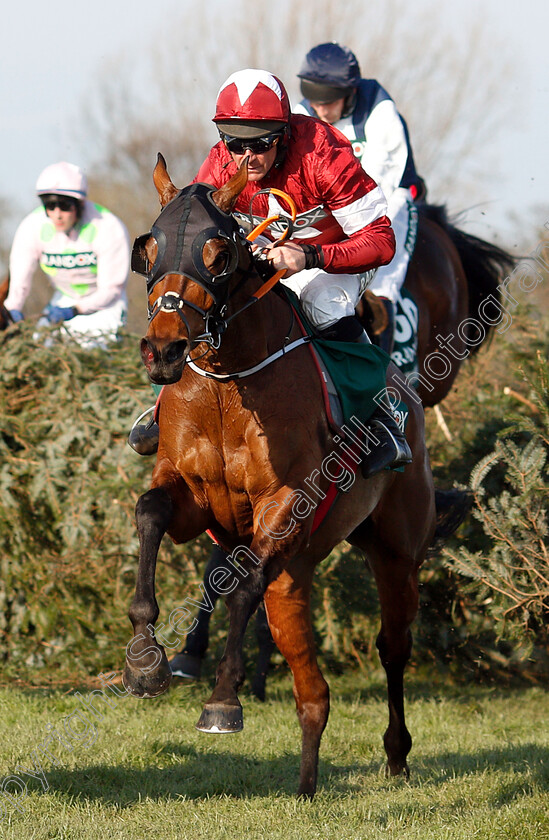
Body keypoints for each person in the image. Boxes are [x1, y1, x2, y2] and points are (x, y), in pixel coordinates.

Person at [130, 68, 411, 476]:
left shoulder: (324, 155)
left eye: (261, 142)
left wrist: (310, 256)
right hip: (263, 251)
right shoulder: (221, 163)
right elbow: (191, 227)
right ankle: (162, 409)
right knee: (206, 302)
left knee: (323, 303)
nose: (247, 156)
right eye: (234, 142)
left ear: (284, 132)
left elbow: (382, 242)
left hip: (336, 252)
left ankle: (383, 419)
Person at [295, 42, 425, 354]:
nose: (320, 110)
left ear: (351, 92)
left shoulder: (381, 112)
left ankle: (385, 376)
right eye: (315, 101)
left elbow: (377, 187)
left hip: (388, 199)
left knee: (381, 281)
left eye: (328, 102)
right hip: (330, 208)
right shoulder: (301, 113)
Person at [6, 161, 130, 347]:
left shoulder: (108, 227)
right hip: (63, 300)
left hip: (104, 305)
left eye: (64, 205)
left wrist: (77, 309)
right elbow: (19, 283)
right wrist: (12, 309)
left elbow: (111, 290)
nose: (57, 214)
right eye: (49, 205)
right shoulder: (31, 227)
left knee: (92, 352)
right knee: (41, 348)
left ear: (79, 204)